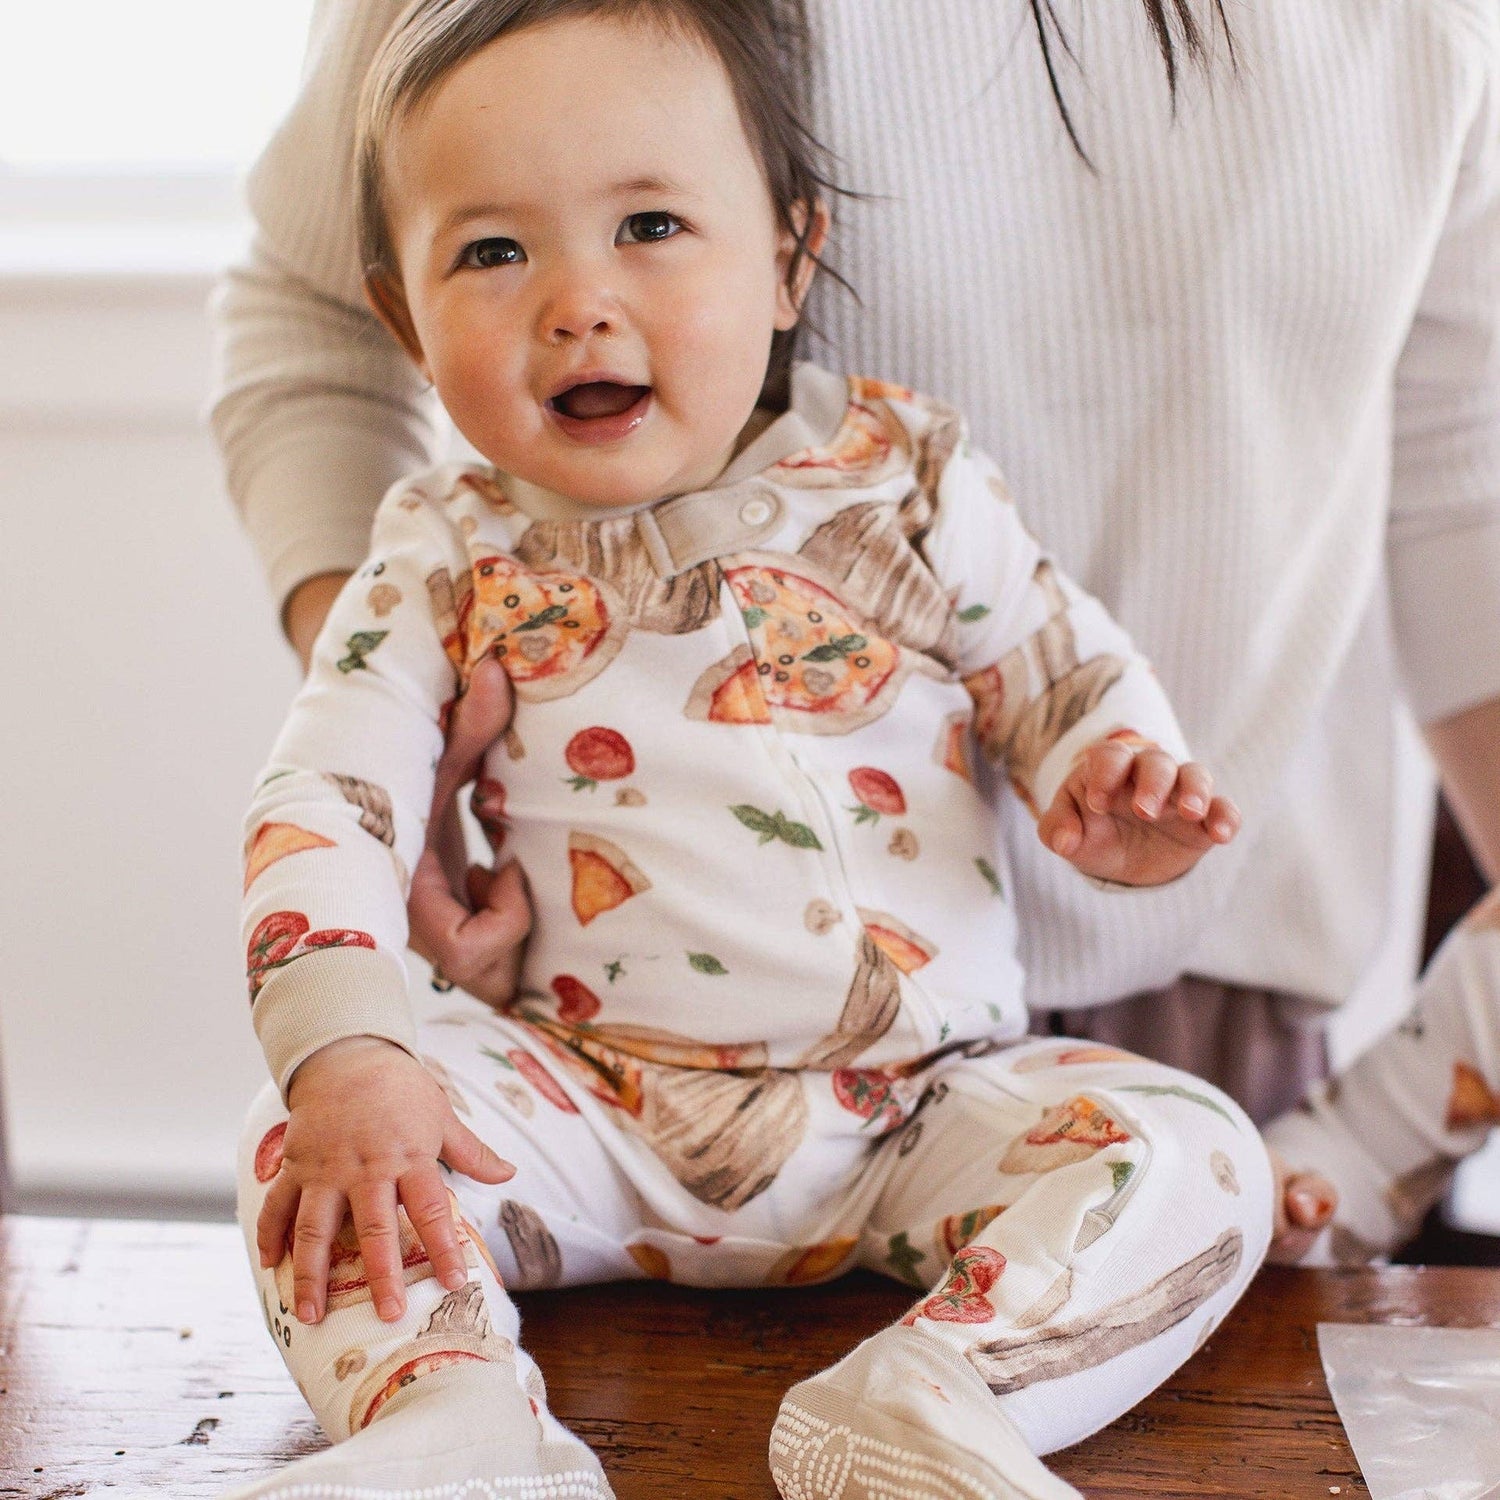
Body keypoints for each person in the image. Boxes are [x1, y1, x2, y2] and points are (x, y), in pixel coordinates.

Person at [229, 3, 1277, 1496]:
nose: (579, 303)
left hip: (921, 1103)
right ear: (400, 320)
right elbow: (321, 800)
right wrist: (349, 1055)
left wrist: (1113, 768)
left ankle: (933, 1403)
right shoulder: (440, 554)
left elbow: (1061, 666)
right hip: (583, 1103)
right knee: (312, 1151)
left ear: (790, 257)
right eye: (492, 252)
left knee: (1192, 1152)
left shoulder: (908, 475)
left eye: (650, 224)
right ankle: (447, 1425)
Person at [214, 0, 1500, 1139]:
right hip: (628, 1005)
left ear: (795, 252)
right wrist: (401, 736)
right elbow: (319, 312)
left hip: (1205, 991)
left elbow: (1465, 462)